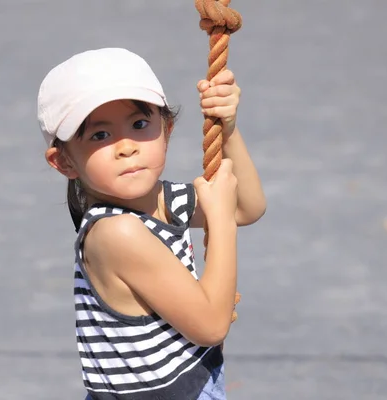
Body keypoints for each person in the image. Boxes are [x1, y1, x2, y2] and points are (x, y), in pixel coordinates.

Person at [37, 47, 265, 400]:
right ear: (64, 161)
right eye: (100, 135)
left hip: (195, 381)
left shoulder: (165, 199)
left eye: (140, 124)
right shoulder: (116, 233)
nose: (126, 147)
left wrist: (229, 130)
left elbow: (247, 209)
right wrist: (218, 219)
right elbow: (211, 325)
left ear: (166, 129)